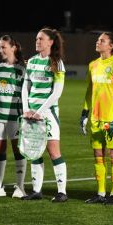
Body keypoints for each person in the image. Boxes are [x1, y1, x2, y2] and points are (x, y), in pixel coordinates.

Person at [81, 32, 113, 205]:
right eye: (98, 40)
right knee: (98, 156)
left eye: (102, 40)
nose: (98, 42)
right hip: (95, 118)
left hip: (112, 119)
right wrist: (84, 113)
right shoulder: (93, 65)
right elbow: (89, 91)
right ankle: (101, 192)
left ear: (111, 46)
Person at [21, 27, 68, 202]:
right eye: (36, 38)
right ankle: (36, 191)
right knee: (34, 151)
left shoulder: (56, 63)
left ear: (50, 42)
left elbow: (56, 93)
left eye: (41, 39)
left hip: (47, 113)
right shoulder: (31, 61)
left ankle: (62, 192)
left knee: (53, 151)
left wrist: (39, 112)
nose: (37, 41)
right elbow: (25, 89)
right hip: (30, 114)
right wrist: (27, 109)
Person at [0, 35, 27, 198]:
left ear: (13, 47)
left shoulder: (22, 69)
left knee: (18, 150)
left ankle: (20, 187)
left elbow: (26, 95)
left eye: (3, 47)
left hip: (15, 116)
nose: (1, 50)